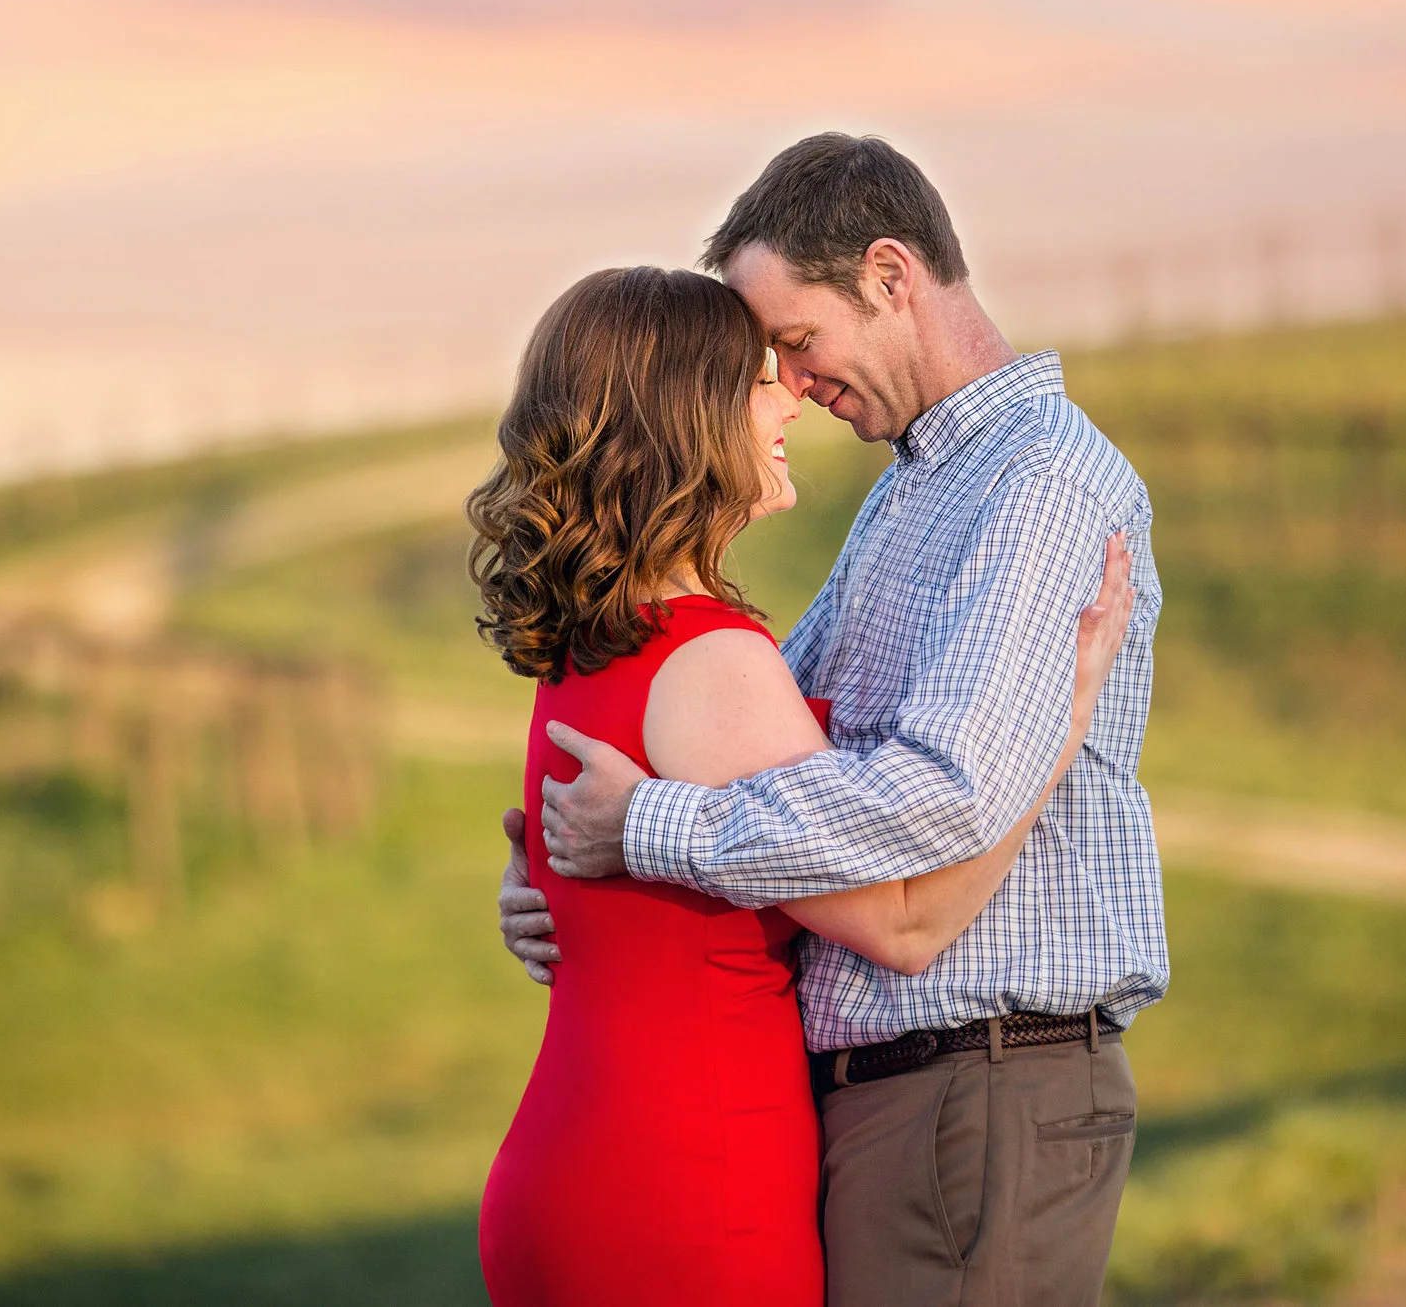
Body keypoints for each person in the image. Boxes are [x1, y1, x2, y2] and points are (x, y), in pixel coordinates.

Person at [499, 133, 1171, 1306]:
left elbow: (943, 799)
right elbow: (762, 751)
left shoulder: (1037, 484)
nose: (794, 388)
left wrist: (641, 833)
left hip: (979, 1082)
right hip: (890, 1097)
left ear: (891, 274)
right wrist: (579, 885)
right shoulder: (916, 491)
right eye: (771, 366)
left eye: (797, 344)